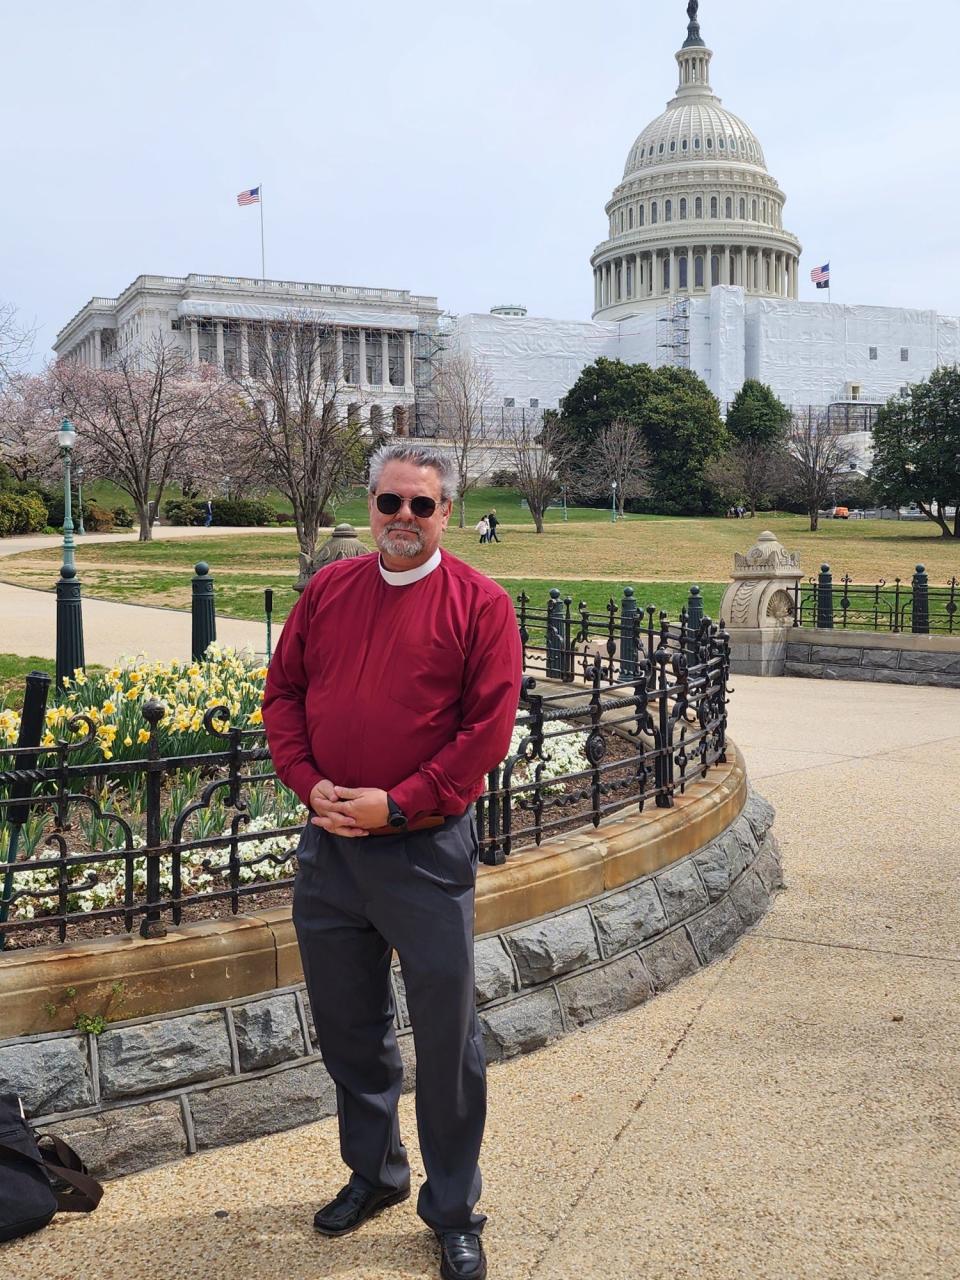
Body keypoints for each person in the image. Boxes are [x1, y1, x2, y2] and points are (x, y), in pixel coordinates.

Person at [262, 441, 522, 1280]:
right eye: (389, 503)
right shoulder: (330, 589)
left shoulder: (480, 605)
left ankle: (452, 1209)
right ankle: (373, 1173)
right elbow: (285, 695)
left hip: (422, 852)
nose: (403, 519)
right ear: (369, 506)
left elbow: (483, 732)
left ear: (447, 512)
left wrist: (400, 802)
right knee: (350, 1031)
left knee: (446, 1041)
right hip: (330, 847)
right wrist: (311, 787)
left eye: (421, 505)